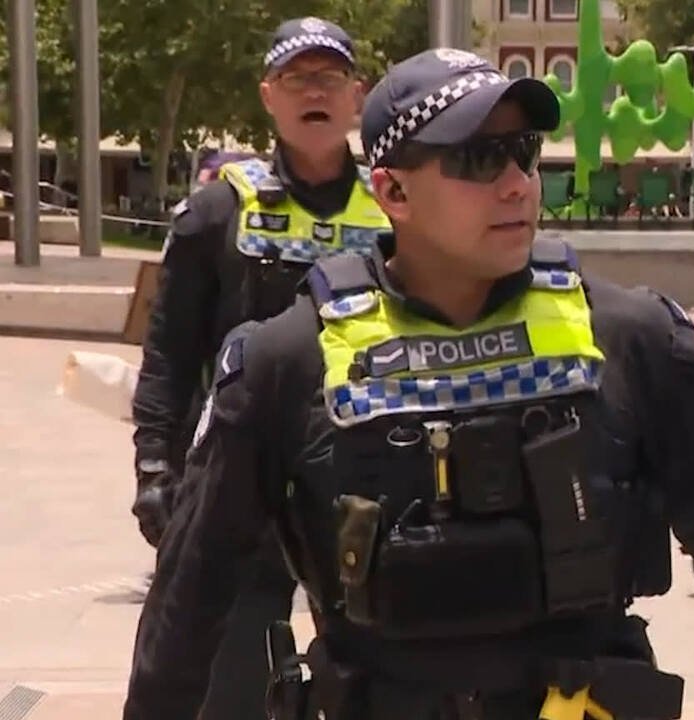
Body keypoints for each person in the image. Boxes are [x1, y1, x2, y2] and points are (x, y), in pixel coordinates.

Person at [122, 47, 694, 720]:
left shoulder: (635, 340)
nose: (517, 183)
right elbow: (189, 603)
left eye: (523, 152)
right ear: (392, 190)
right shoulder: (285, 363)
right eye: (479, 159)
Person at [127, 16, 389, 720]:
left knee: (382, 686)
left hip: (362, 482)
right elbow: (169, 355)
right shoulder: (218, 212)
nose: (315, 92)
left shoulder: (399, 209)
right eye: (296, 78)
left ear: (357, 96)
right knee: (228, 687)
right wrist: (154, 467)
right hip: (238, 480)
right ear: (268, 95)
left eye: (330, 77)